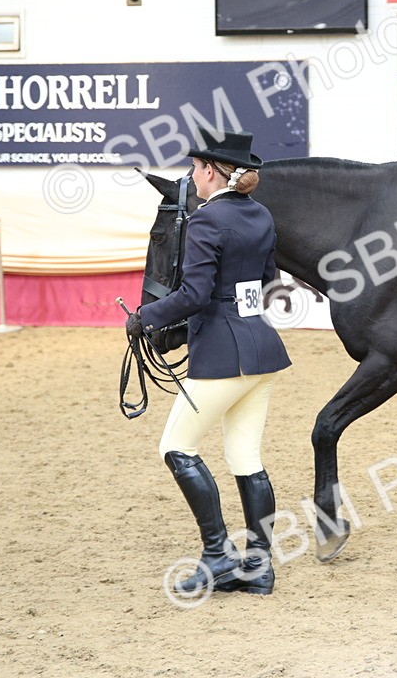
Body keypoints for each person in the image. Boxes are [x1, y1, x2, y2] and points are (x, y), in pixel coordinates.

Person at [126, 128, 291, 597]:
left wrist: (144, 317)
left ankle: (217, 556)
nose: (192, 175)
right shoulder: (261, 214)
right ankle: (258, 567)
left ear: (213, 173)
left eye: (196, 167)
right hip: (262, 349)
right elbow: (267, 281)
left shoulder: (205, 220)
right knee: (246, 457)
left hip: (224, 354)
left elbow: (195, 295)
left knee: (176, 447)